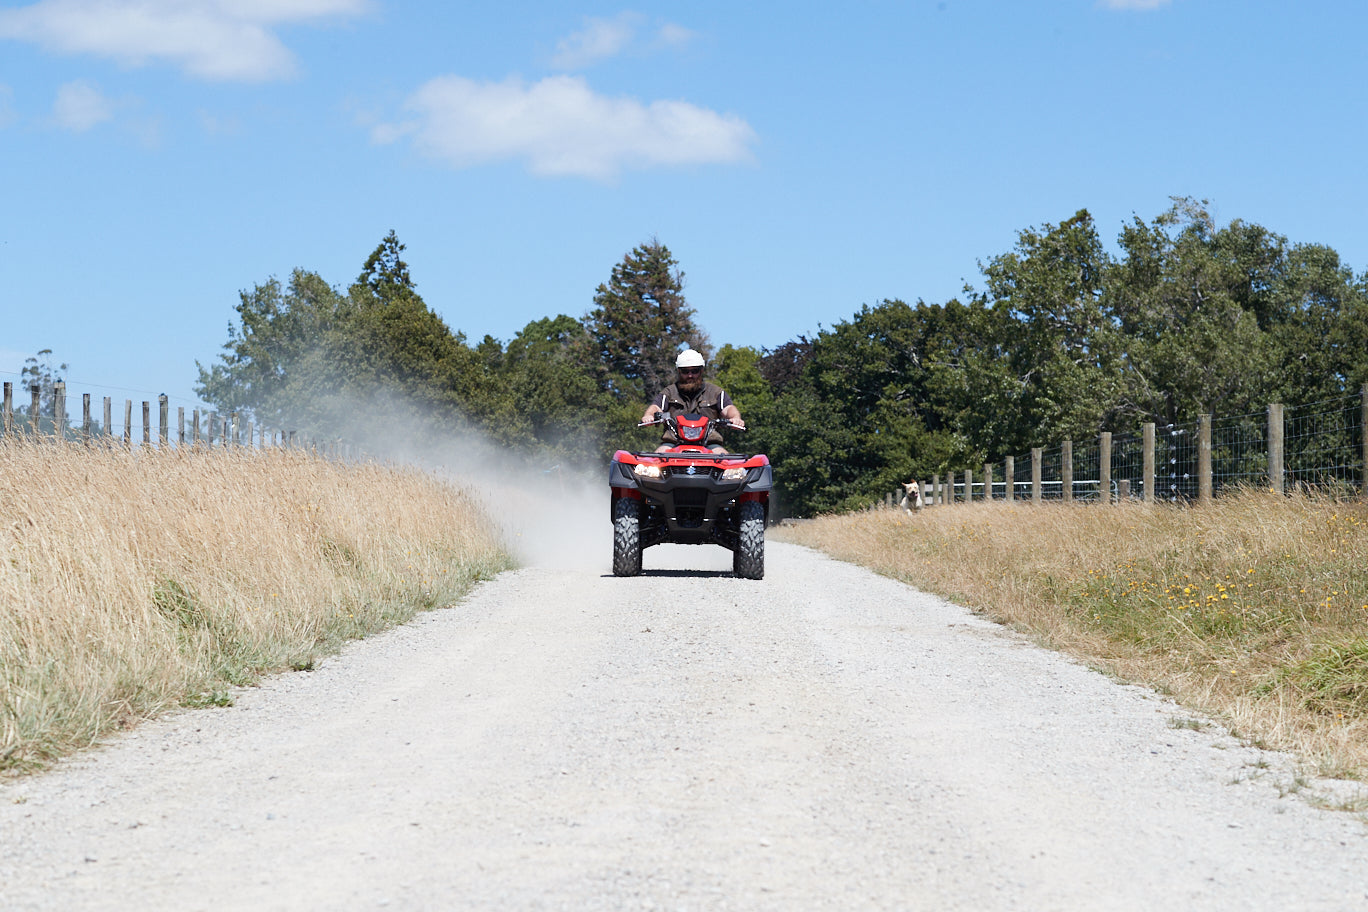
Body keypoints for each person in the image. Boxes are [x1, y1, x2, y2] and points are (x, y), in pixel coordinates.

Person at [641, 349, 745, 453]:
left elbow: (728, 408)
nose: (690, 375)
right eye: (685, 371)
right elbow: (656, 407)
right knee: (657, 459)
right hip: (673, 443)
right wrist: (649, 416)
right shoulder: (669, 392)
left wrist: (735, 418)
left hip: (710, 444)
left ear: (701, 371)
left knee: (725, 462)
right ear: (679, 371)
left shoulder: (716, 392)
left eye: (694, 371)